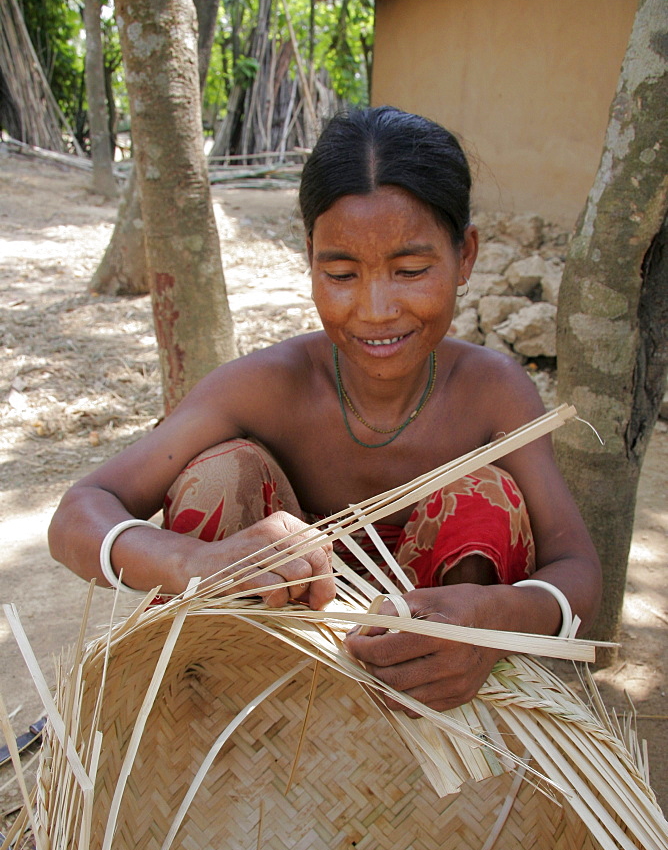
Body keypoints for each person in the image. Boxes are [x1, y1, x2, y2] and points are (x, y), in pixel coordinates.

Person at [48, 106, 602, 714]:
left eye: (411, 270)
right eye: (341, 272)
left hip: (439, 707)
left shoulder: (493, 394)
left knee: (484, 496)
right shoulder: (266, 387)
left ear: (464, 256)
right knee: (221, 472)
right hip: (261, 690)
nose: (375, 308)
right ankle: (211, 715)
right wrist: (194, 562)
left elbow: (576, 565)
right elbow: (77, 513)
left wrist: (494, 617)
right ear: (310, 256)